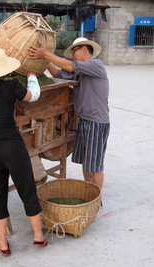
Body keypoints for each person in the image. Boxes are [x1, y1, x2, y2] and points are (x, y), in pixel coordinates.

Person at [0, 48, 47, 256]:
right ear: (5, 70)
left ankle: (3, 244)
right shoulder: (12, 87)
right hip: (13, 148)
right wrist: (32, 76)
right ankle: (38, 238)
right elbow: (33, 96)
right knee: (27, 191)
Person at [27, 38, 110, 191]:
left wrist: (45, 54)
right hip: (84, 121)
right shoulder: (81, 71)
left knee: (96, 165)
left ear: (85, 48)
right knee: (87, 162)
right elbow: (58, 73)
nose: (72, 55)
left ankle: (96, 197)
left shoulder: (95, 64)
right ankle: (88, 190)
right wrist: (43, 61)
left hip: (97, 122)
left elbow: (69, 66)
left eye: (74, 51)